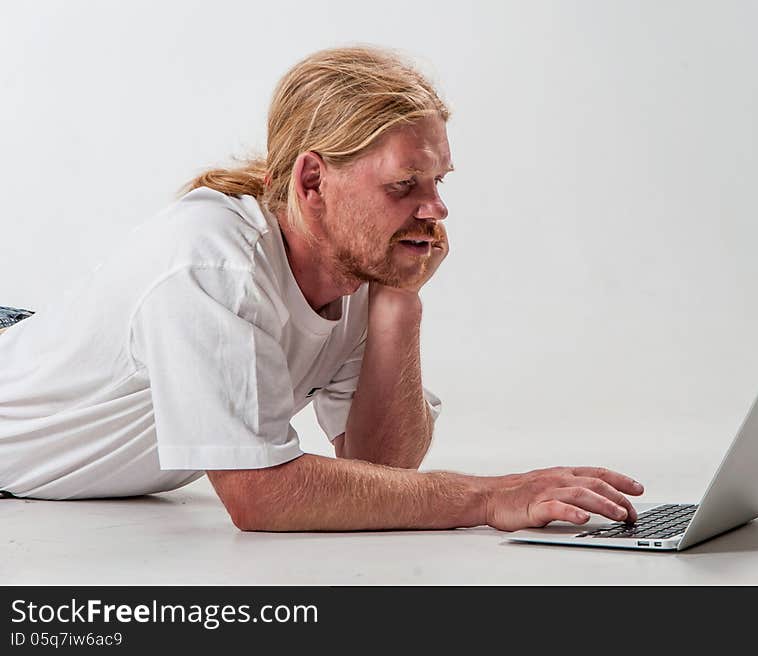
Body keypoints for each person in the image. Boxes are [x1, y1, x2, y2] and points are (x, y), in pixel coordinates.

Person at [0, 45, 644, 531]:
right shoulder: (211, 266)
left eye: (439, 182)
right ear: (312, 182)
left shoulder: (357, 266)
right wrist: (488, 496)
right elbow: (261, 494)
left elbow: (381, 471)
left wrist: (399, 302)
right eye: (404, 185)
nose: (436, 210)